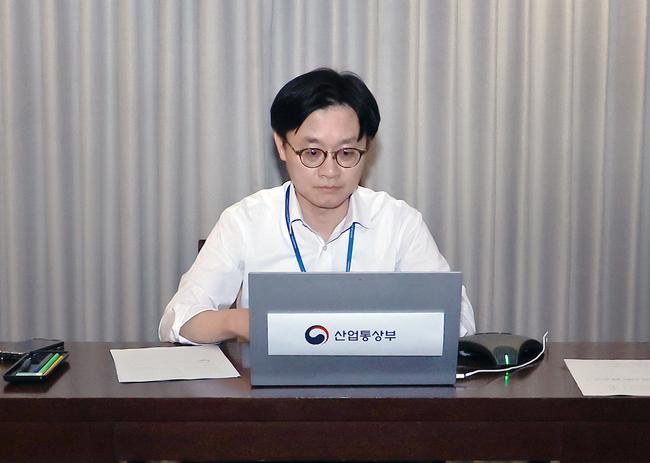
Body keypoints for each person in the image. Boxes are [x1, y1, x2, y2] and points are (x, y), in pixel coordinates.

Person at [159, 68, 476, 344]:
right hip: (273, 392)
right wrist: (240, 321)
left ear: (366, 148)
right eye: (312, 153)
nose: (330, 171)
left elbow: (459, 322)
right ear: (282, 146)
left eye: (347, 153)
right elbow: (178, 319)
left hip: (374, 388)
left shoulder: (398, 222)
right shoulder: (245, 221)